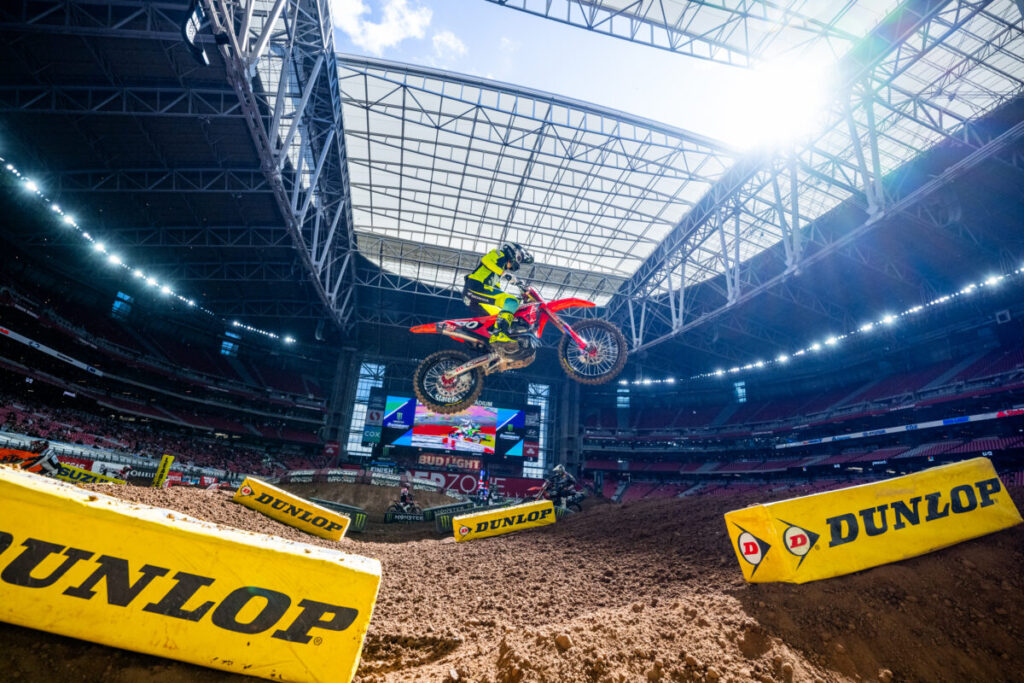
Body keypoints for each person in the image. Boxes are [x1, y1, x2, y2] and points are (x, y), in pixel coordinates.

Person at [463, 242, 534, 352]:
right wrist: (504, 274)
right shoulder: (499, 254)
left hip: (476, 295)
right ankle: (498, 334)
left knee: (501, 314)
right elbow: (486, 260)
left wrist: (520, 299)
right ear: (513, 252)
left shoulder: (496, 274)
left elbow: (498, 292)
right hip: (476, 286)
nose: (518, 263)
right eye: (519, 258)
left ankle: (490, 344)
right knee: (511, 301)